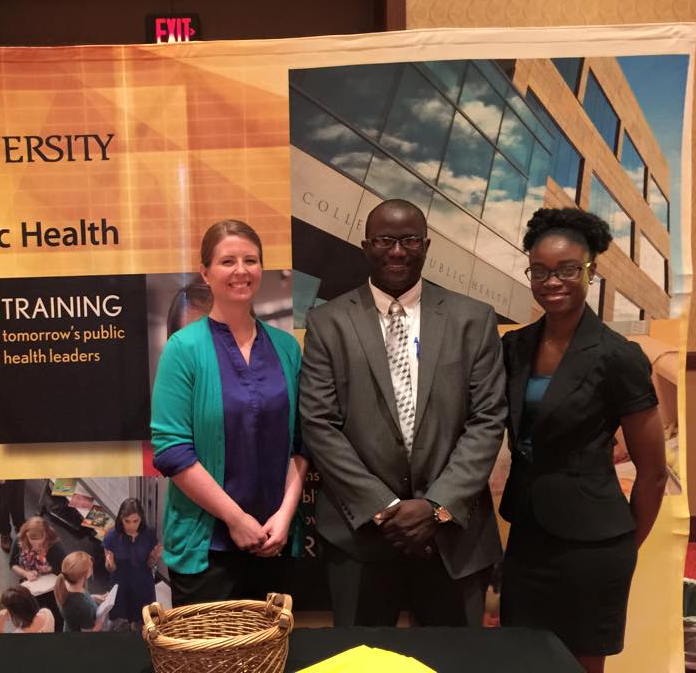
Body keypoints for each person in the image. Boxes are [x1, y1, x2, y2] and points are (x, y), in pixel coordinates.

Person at [299, 198, 507, 627]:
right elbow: (320, 425)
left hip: (454, 536)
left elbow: (487, 421)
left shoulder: (474, 319)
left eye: (410, 239)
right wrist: (385, 508)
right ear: (365, 245)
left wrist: (436, 507)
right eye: (385, 240)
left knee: (454, 663)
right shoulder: (327, 322)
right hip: (361, 537)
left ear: (427, 245)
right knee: (359, 662)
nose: (398, 251)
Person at [499, 208, 666, 673]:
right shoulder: (514, 347)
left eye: (568, 269)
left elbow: (652, 473)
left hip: (594, 544)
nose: (552, 281)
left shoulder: (618, 356)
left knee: (581, 665)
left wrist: (626, 546)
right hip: (528, 535)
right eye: (540, 271)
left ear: (591, 271)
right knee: (523, 656)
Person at [151, 219, 308, 605]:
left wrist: (285, 517)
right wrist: (236, 521)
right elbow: (172, 451)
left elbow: (301, 444)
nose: (241, 270)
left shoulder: (287, 349)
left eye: (250, 260)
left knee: (269, 659)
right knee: (208, 663)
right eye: (227, 261)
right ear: (205, 272)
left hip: (275, 541)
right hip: (208, 548)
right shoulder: (183, 349)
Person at [103, 498, 161, 626]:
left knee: (148, 624)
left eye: (136, 521)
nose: (131, 525)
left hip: (143, 586)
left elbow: (150, 564)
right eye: (127, 521)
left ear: (141, 519)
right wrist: (110, 563)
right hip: (121, 587)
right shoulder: (112, 536)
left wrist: (155, 557)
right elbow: (110, 569)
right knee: (119, 625)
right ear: (121, 519)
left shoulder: (149, 533)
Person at [54, 550, 105, 632]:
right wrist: (101, 621)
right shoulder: (83, 606)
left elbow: (80, 600)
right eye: (91, 567)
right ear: (85, 574)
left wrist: (93, 597)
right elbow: (89, 632)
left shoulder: (68, 586)